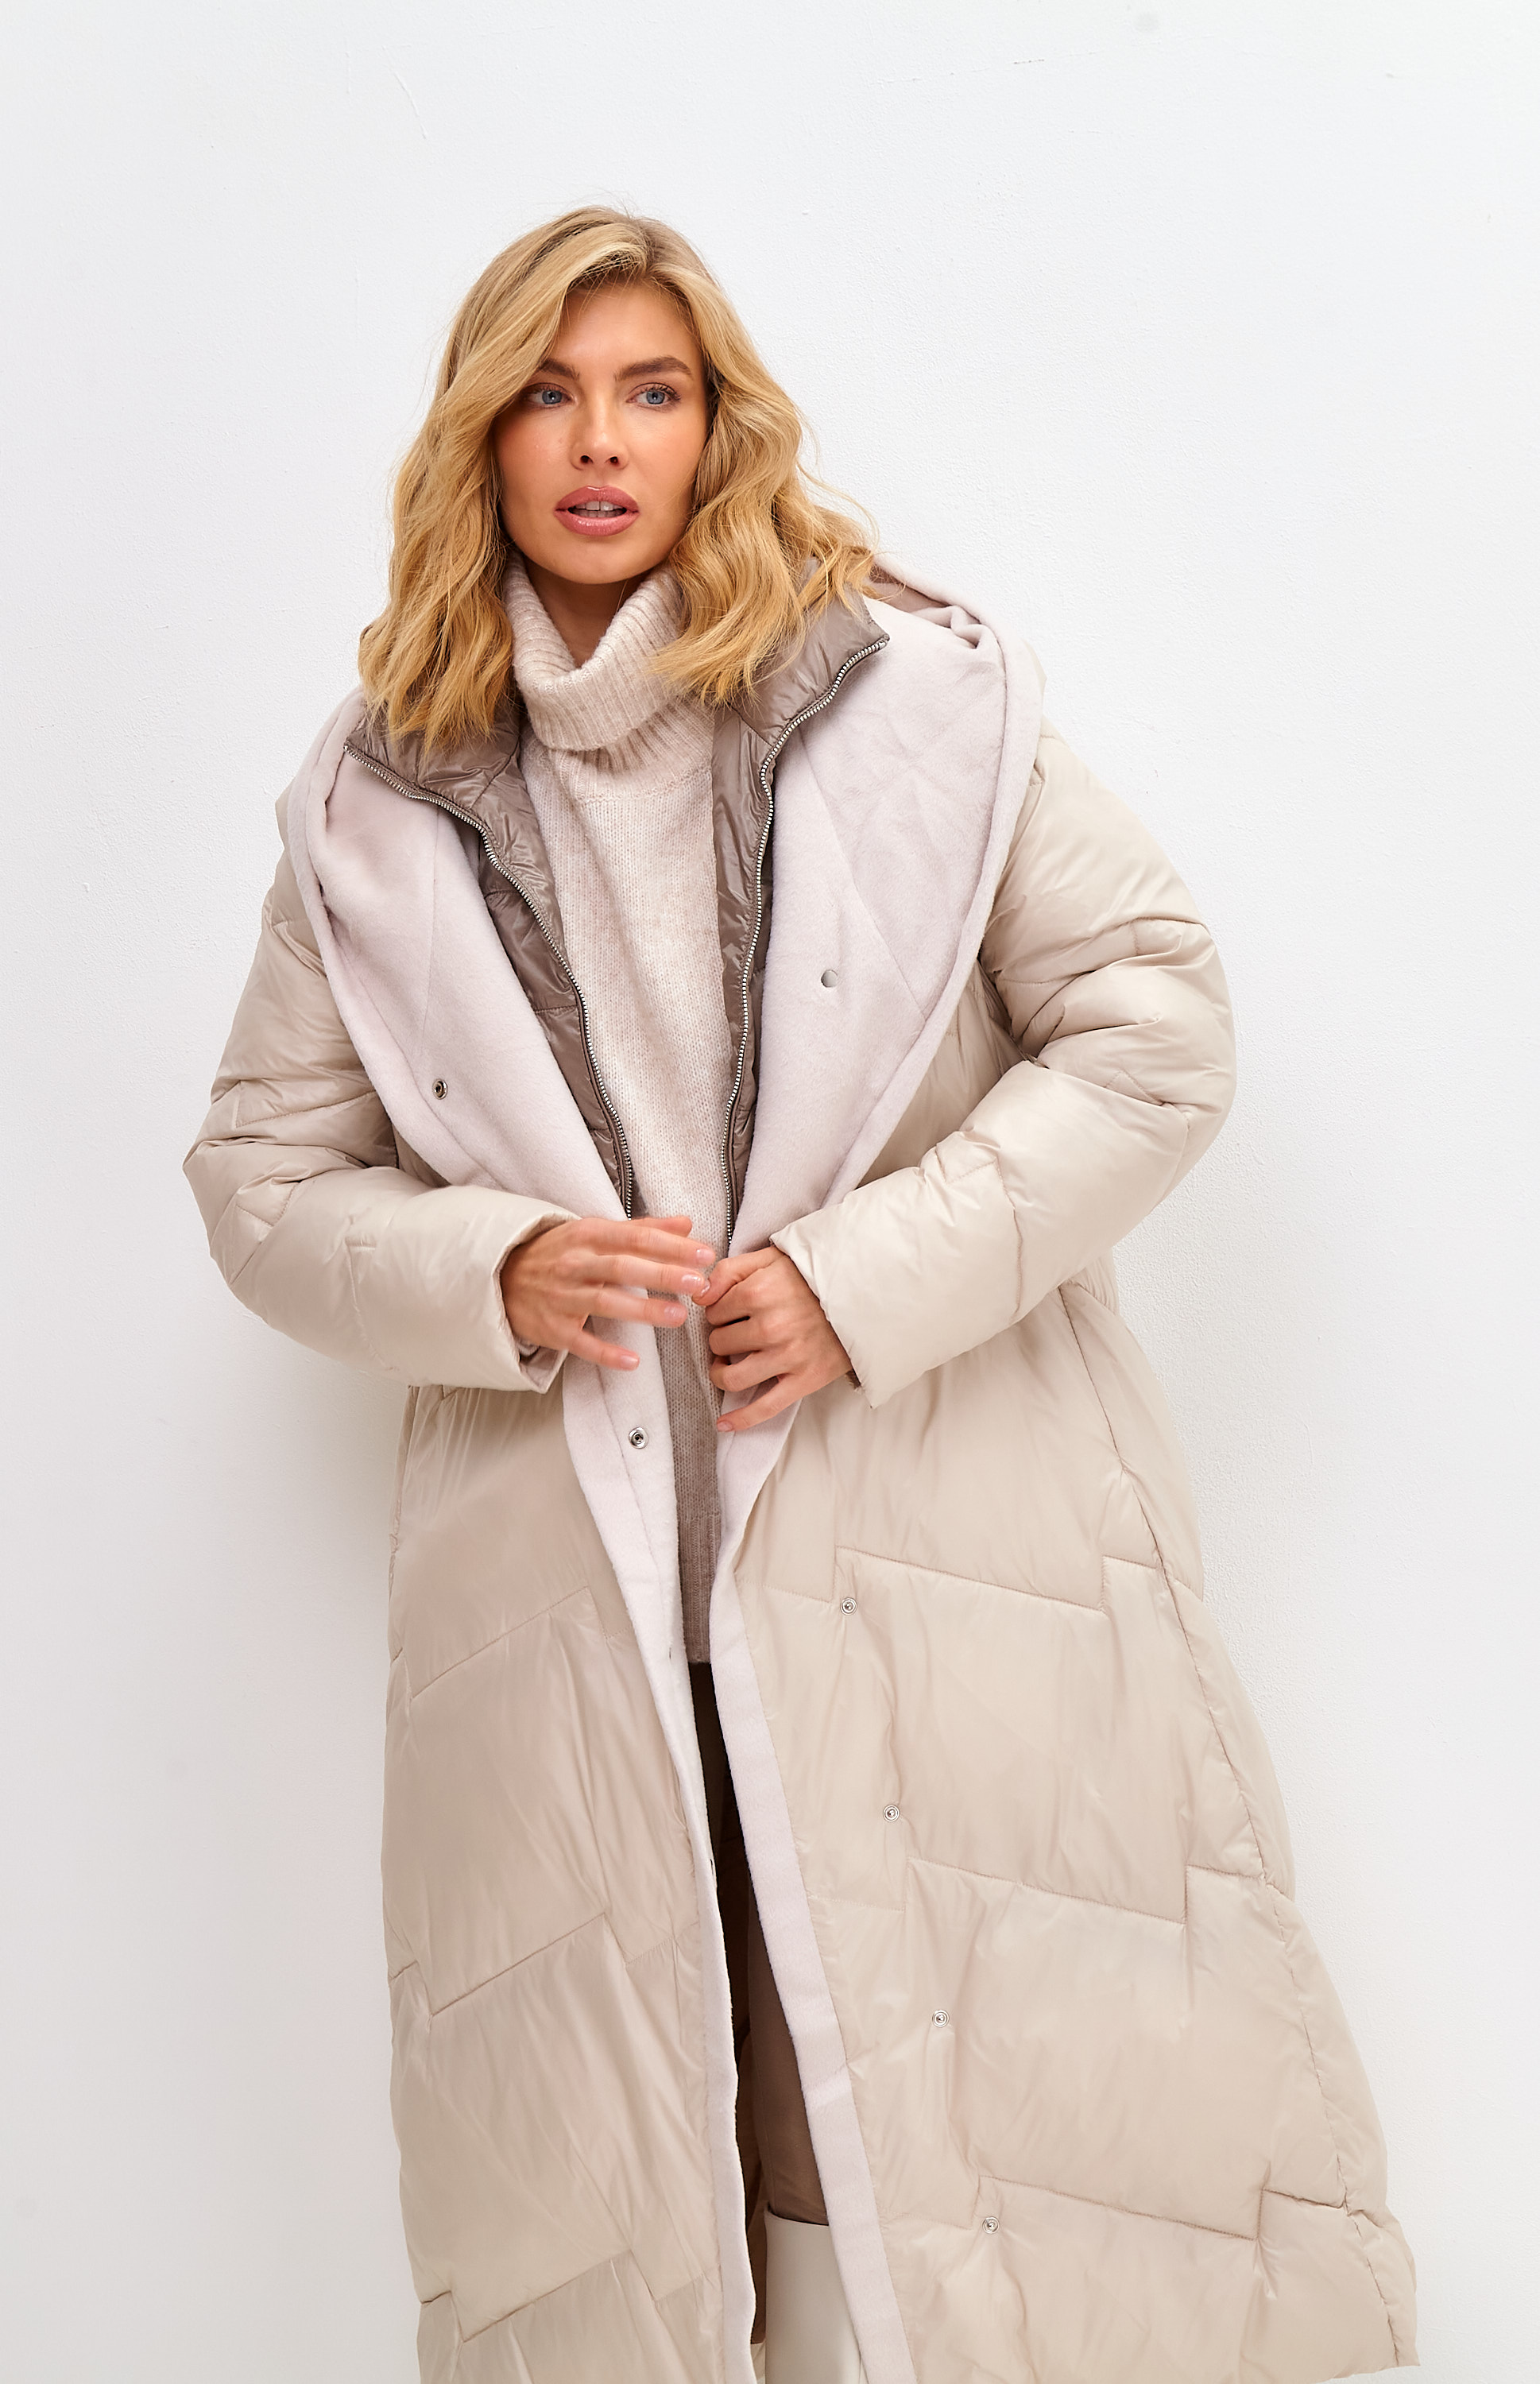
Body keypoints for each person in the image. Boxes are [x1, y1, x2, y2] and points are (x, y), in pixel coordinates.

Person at [184, 209, 1414, 2384]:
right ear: (478, 439)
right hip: (590, 1628)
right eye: (547, 393)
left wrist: (858, 1283)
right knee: (670, 2213)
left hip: (939, 1548)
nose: (599, 441)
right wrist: (491, 1268)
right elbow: (263, 1181)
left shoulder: (909, 705)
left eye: (649, 391)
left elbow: (1152, 1028)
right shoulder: (370, 802)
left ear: (713, 424)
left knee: (1029, 2172)